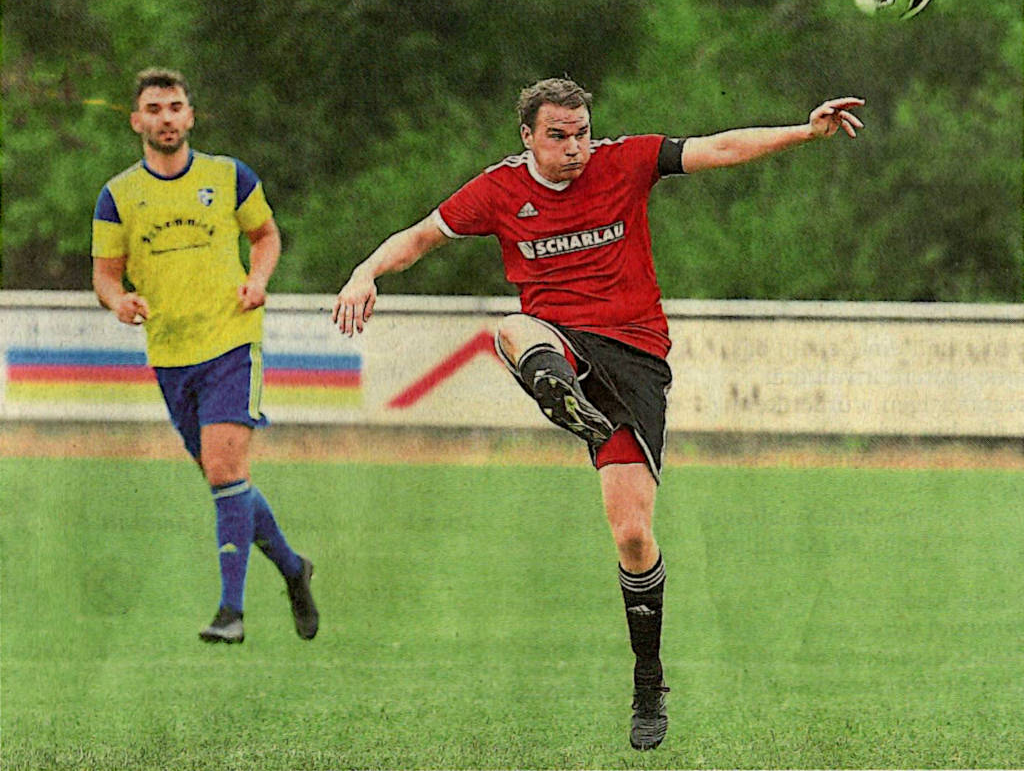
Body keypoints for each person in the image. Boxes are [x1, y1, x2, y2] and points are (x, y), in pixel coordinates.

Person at [332, 77, 863, 749]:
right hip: (558, 340)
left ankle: (648, 681)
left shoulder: (625, 162)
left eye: (581, 132)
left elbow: (720, 149)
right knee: (513, 326)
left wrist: (803, 130)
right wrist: (364, 272)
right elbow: (418, 239)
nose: (575, 147)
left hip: (635, 357)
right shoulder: (498, 190)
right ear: (527, 135)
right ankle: (559, 392)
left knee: (634, 535)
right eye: (558, 135)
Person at [92, 68, 319, 645]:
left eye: (175, 107)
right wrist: (120, 301)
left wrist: (259, 279)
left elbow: (265, 236)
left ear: (190, 116)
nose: (166, 117)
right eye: (154, 108)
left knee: (223, 472)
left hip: (232, 341)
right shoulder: (118, 195)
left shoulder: (229, 175)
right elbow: (105, 276)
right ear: (137, 121)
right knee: (227, 480)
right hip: (170, 353)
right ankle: (293, 568)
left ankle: (230, 611)